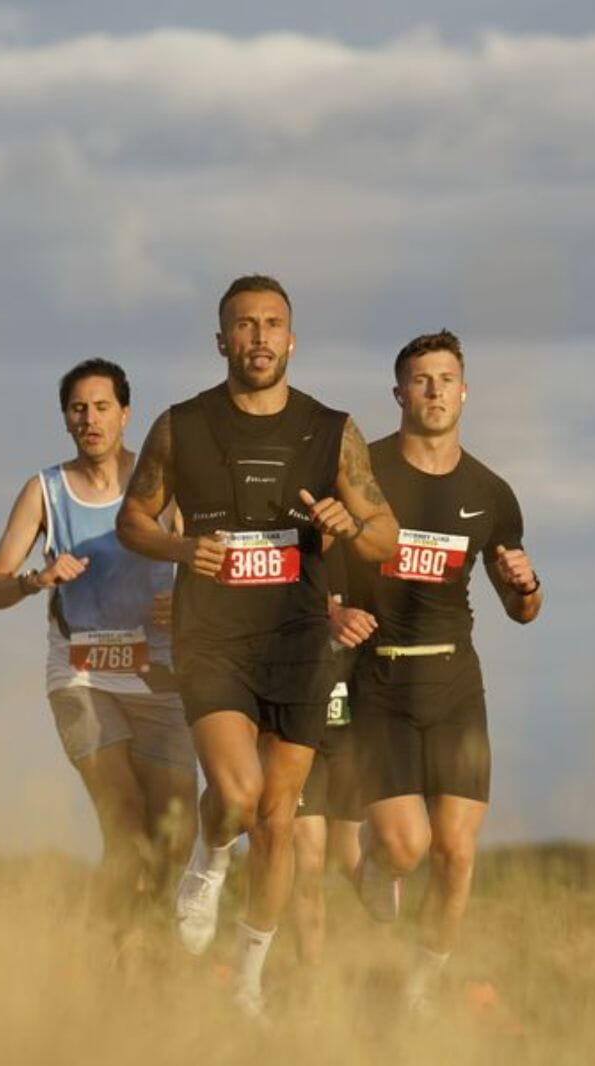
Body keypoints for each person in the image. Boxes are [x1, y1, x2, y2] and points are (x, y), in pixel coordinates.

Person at [116, 275, 397, 1019]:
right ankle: (209, 858)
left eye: (273, 323)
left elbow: (385, 536)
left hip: (297, 642)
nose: (260, 336)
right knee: (238, 798)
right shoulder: (182, 426)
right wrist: (183, 547)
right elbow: (132, 520)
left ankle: (247, 983)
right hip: (211, 635)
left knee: (277, 820)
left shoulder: (332, 431)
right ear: (222, 341)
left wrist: (348, 526)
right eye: (245, 325)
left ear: (292, 340)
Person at [334, 329, 543, 1014]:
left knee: (455, 852)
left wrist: (527, 584)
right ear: (399, 393)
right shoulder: (363, 474)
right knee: (407, 847)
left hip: (455, 685)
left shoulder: (490, 492)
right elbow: (313, 567)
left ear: (464, 391)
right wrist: (334, 611)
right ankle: (372, 857)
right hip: (378, 681)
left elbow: (522, 610)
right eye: (421, 379)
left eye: (446, 379)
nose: (434, 390)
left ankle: (419, 988)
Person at [0, 358, 197, 955]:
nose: (90, 419)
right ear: (65, 419)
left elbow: (206, 560)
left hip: (160, 675)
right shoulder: (44, 491)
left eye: (102, 407)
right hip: (81, 675)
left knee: (176, 835)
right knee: (124, 819)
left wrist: (188, 602)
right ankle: (102, 952)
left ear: (126, 414)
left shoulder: (165, 486)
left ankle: (141, 940)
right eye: (78, 409)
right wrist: (35, 580)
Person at [290, 550, 367, 972]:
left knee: (349, 850)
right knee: (309, 859)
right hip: (298, 730)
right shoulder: (283, 544)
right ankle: (311, 983)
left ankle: (404, 955)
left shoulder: (365, 552)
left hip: (352, 730)